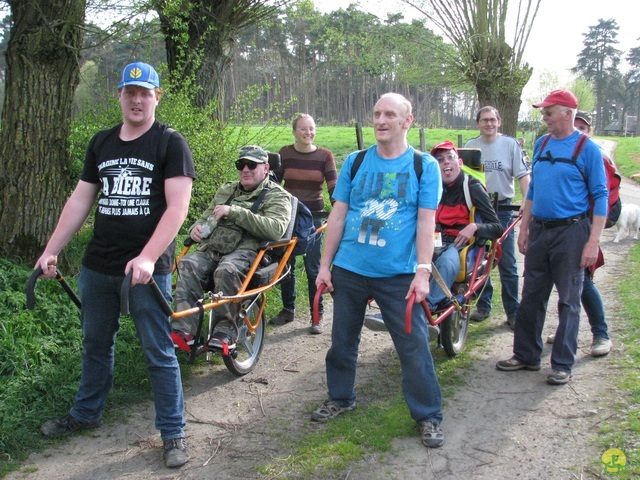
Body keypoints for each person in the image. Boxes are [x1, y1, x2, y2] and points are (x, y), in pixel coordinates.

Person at [35, 62, 196, 468]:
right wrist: (51, 249)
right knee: (94, 342)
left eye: (145, 93)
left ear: (157, 96)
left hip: (146, 271)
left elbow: (178, 208)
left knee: (158, 350)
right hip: (99, 265)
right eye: (130, 92)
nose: (137, 99)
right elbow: (80, 201)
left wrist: (146, 255)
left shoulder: (170, 143)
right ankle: (86, 413)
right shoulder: (102, 142)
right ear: (120, 96)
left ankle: (173, 433)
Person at [311, 93, 446, 449]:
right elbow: (337, 217)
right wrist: (325, 267)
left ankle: (428, 414)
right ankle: (340, 397)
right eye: (376, 114)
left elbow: (425, 221)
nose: (381, 120)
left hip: (399, 274)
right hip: (350, 269)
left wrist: (422, 272)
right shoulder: (355, 163)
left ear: (407, 120)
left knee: (413, 345)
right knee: (342, 341)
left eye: (390, 114)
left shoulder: (423, 166)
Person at [496, 89, 608, 386]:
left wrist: (592, 242)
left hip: (572, 232)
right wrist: (525, 226)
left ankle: (561, 364)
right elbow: (533, 189)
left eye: (549, 112)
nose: (543, 117)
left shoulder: (588, 149)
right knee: (531, 294)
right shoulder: (541, 144)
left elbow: (600, 196)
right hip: (541, 231)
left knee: (569, 300)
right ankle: (526, 355)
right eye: (543, 112)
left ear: (568, 114)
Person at [172, 145, 292, 349]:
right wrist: (196, 228)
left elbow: (276, 229)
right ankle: (184, 331)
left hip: (246, 250)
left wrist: (235, 212)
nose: (245, 169)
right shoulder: (226, 189)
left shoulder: (278, 196)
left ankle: (225, 332)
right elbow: (205, 217)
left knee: (227, 270)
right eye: (241, 164)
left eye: (252, 165)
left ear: (265, 168)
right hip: (213, 247)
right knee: (187, 263)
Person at [545, 111, 612, 356]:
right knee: (566, 285)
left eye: (584, 127)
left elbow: (605, 197)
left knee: (582, 284)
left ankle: (601, 333)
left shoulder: (593, 154)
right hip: (560, 228)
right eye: (577, 126)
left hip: (582, 227)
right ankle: (566, 330)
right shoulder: (556, 147)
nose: (580, 130)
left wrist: (593, 236)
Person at [270, 114, 337, 334]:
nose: (308, 133)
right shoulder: (285, 154)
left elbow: (333, 187)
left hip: (314, 218)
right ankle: (288, 309)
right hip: (288, 216)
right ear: (294, 132)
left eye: (311, 128)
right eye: (303, 129)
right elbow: (273, 185)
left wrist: (337, 210)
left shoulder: (325, 156)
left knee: (313, 267)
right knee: (285, 263)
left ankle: (316, 315)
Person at [465, 106, 530, 328]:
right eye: (484, 120)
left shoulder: (509, 145)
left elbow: (522, 176)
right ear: (477, 123)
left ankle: (513, 311)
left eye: (492, 120)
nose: (489, 124)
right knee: (480, 259)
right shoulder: (471, 147)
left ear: (499, 122)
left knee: (507, 262)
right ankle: (483, 306)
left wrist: (527, 204)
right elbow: (465, 181)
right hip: (479, 210)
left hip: (502, 208)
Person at [427, 140, 503, 310]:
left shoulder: (472, 187)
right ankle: (400, 306)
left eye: (450, 157)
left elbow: (497, 228)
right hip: (435, 240)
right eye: (439, 160)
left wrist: (474, 227)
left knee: (446, 262)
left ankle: (427, 308)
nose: (446, 162)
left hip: (461, 245)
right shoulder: (431, 189)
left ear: (459, 163)